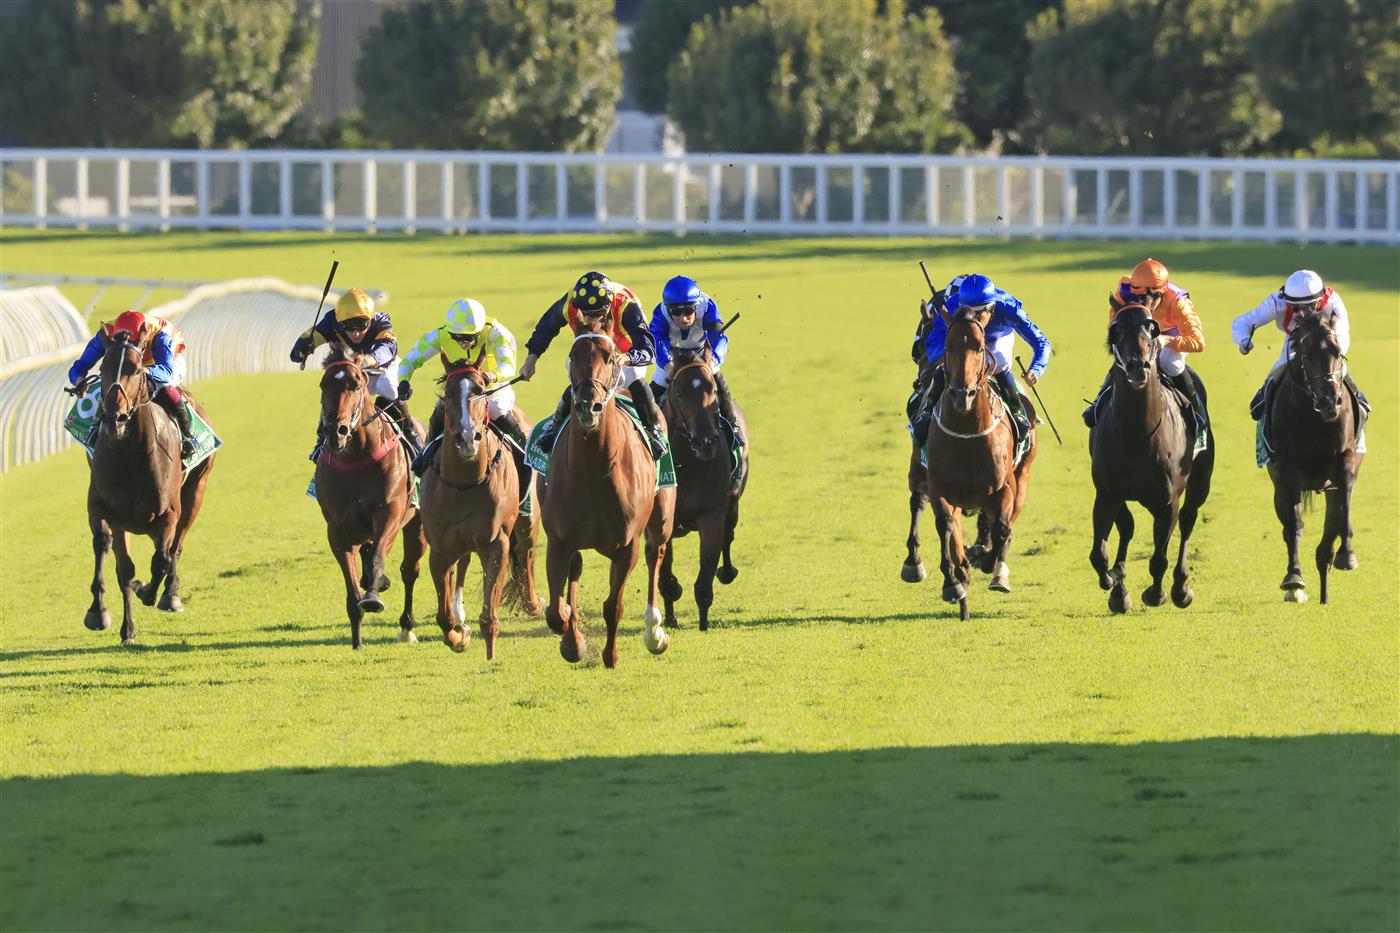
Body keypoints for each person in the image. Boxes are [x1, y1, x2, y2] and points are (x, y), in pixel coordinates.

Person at [518, 271, 666, 458]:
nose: (590, 319)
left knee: (634, 379)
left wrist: (627, 358)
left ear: (608, 306)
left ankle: (653, 430)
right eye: (585, 314)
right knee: (580, 379)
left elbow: (648, 350)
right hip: (590, 347)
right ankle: (554, 426)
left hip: (625, 349)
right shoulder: (572, 301)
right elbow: (547, 326)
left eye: (596, 314)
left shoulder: (625, 305)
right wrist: (531, 359)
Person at [913, 274, 1050, 443]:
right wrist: (952, 354)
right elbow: (933, 346)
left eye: (978, 314)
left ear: (991, 309)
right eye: (966, 311)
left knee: (998, 362)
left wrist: (1036, 369)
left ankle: (1017, 413)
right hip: (964, 339)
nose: (971, 318)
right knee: (952, 365)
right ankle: (925, 413)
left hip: (997, 338)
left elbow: (1041, 342)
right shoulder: (952, 306)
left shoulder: (1009, 308)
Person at [289, 287, 419, 462]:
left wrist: (366, 360)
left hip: (381, 368)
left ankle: (411, 435)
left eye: (362, 325)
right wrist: (301, 348)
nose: (356, 332)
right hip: (353, 372)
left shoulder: (381, 323)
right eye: (349, 327)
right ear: (339, 321)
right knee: (336, 390)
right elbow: (312, 336)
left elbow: (386, 349)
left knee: (388, 388)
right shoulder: (331, 320)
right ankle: (322, 440)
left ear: (370, 319)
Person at [400, 298, 527, 476]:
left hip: (491, 388)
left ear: (480, 330)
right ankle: (425, 453)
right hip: (458, 391)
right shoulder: (441, 335)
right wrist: (404, 380)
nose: (462, 342)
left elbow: (508, 365)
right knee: (439, 410)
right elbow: (410, 360)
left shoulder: (496, 332)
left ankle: (524, 451)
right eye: (457, 337)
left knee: (497, 409)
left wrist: (490, 375)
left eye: (468, 338)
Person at [1082, 258, 1207, 429]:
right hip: (1140, 332)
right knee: (1124, 358)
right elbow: (1115, 317)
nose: (1143, 303)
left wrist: (1167, 340)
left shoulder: (1180, 303)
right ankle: (1099, 401)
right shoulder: (1126, 289)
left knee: (1170, 362)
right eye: (1139, 297)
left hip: (1171, 336)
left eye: (1149, 298)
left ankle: (1195, 412)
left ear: (1161, 293)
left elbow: (1198, 342)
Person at [1231, 269, 1365, 419]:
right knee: (1281, 366)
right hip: (1296, 338)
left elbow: (1340, 339)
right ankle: (1265, 396)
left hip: (1328, 339)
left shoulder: (1334, 304)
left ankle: (1357, 398)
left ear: (1320, 300)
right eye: (1296, 307)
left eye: (1309, 306)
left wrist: (1327, 354)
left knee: (1336, 367)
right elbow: (1242, 322)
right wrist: (1243, 339)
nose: (1303, 312)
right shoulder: (1278, 301)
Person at [68, 309, 198, 457]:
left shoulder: (160, 335)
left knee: (163, 387)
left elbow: (166, 373)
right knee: (112, 385)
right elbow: (81, 364)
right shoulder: (107, 334)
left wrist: (144, 371)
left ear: (143, 336)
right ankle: (96, 426)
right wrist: (79, 380)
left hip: (167, 363)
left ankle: (188, 435)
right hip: (132, 364)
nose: (127, 347)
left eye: (132, 343)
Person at [648, 275, 744, 450]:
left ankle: (734, 425)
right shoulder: (659, 313)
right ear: (668, 309)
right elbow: (656, 341)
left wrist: (714, 360)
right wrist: (667, 364)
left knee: (719, 383)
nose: (683, 318)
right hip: (672, 357)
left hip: (702, 356)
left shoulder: (707, 307)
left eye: (688, 311)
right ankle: (649, 431)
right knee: (653, 392)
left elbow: (720, 337)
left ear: (696, 306)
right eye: (676, 312)